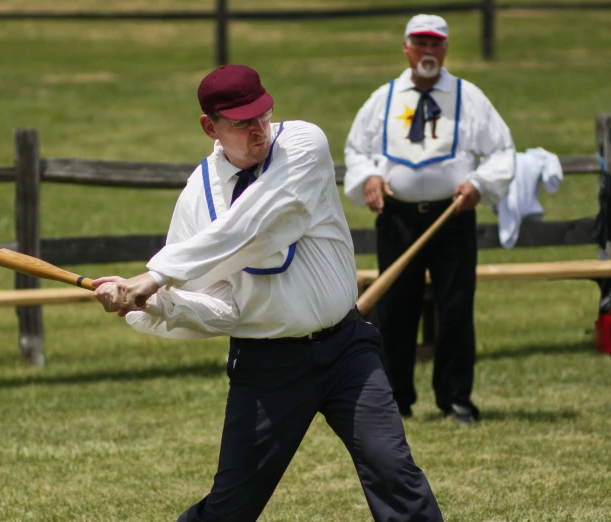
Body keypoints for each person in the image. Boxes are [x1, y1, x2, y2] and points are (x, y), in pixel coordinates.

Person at [93, 64, 443, 522]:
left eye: (263, 114)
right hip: (267, 365)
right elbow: (224, 308)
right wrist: (158, 302)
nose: (259, 130)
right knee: (231, 508)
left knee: (395, 473)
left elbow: (258, 221)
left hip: (346, 351)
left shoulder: (303, 144)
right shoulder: (198, 198)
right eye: (242, 123)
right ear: (209, 127)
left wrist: (157, 275)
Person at [343, 14, 516, 424]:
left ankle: (456, 400)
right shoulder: (383, 99)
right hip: (397, 218)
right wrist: (368, 177)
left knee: (455, 308)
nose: (428, 52)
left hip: (452, 217)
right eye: (420, 43)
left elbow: (502, 151)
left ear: (446, 50)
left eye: (436, 44)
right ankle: (395, 400)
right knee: (395, 310)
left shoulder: (468, 96)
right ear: (405, 48)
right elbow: (355, 149)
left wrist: (479, 183)